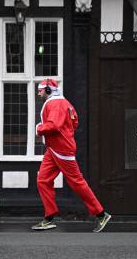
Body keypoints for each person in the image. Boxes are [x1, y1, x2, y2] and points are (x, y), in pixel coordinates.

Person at [32, 79, 111, 232]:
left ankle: (101, 214)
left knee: (77, 182)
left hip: (61, 149)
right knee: (43, 180)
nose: (39, 92)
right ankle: (49, 217)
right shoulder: (66, 103)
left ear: (48, 90)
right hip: (55, 148)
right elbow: (74, 123)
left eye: (41, 89)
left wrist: (39, 128)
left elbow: (54, 125)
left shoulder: (54, 104)